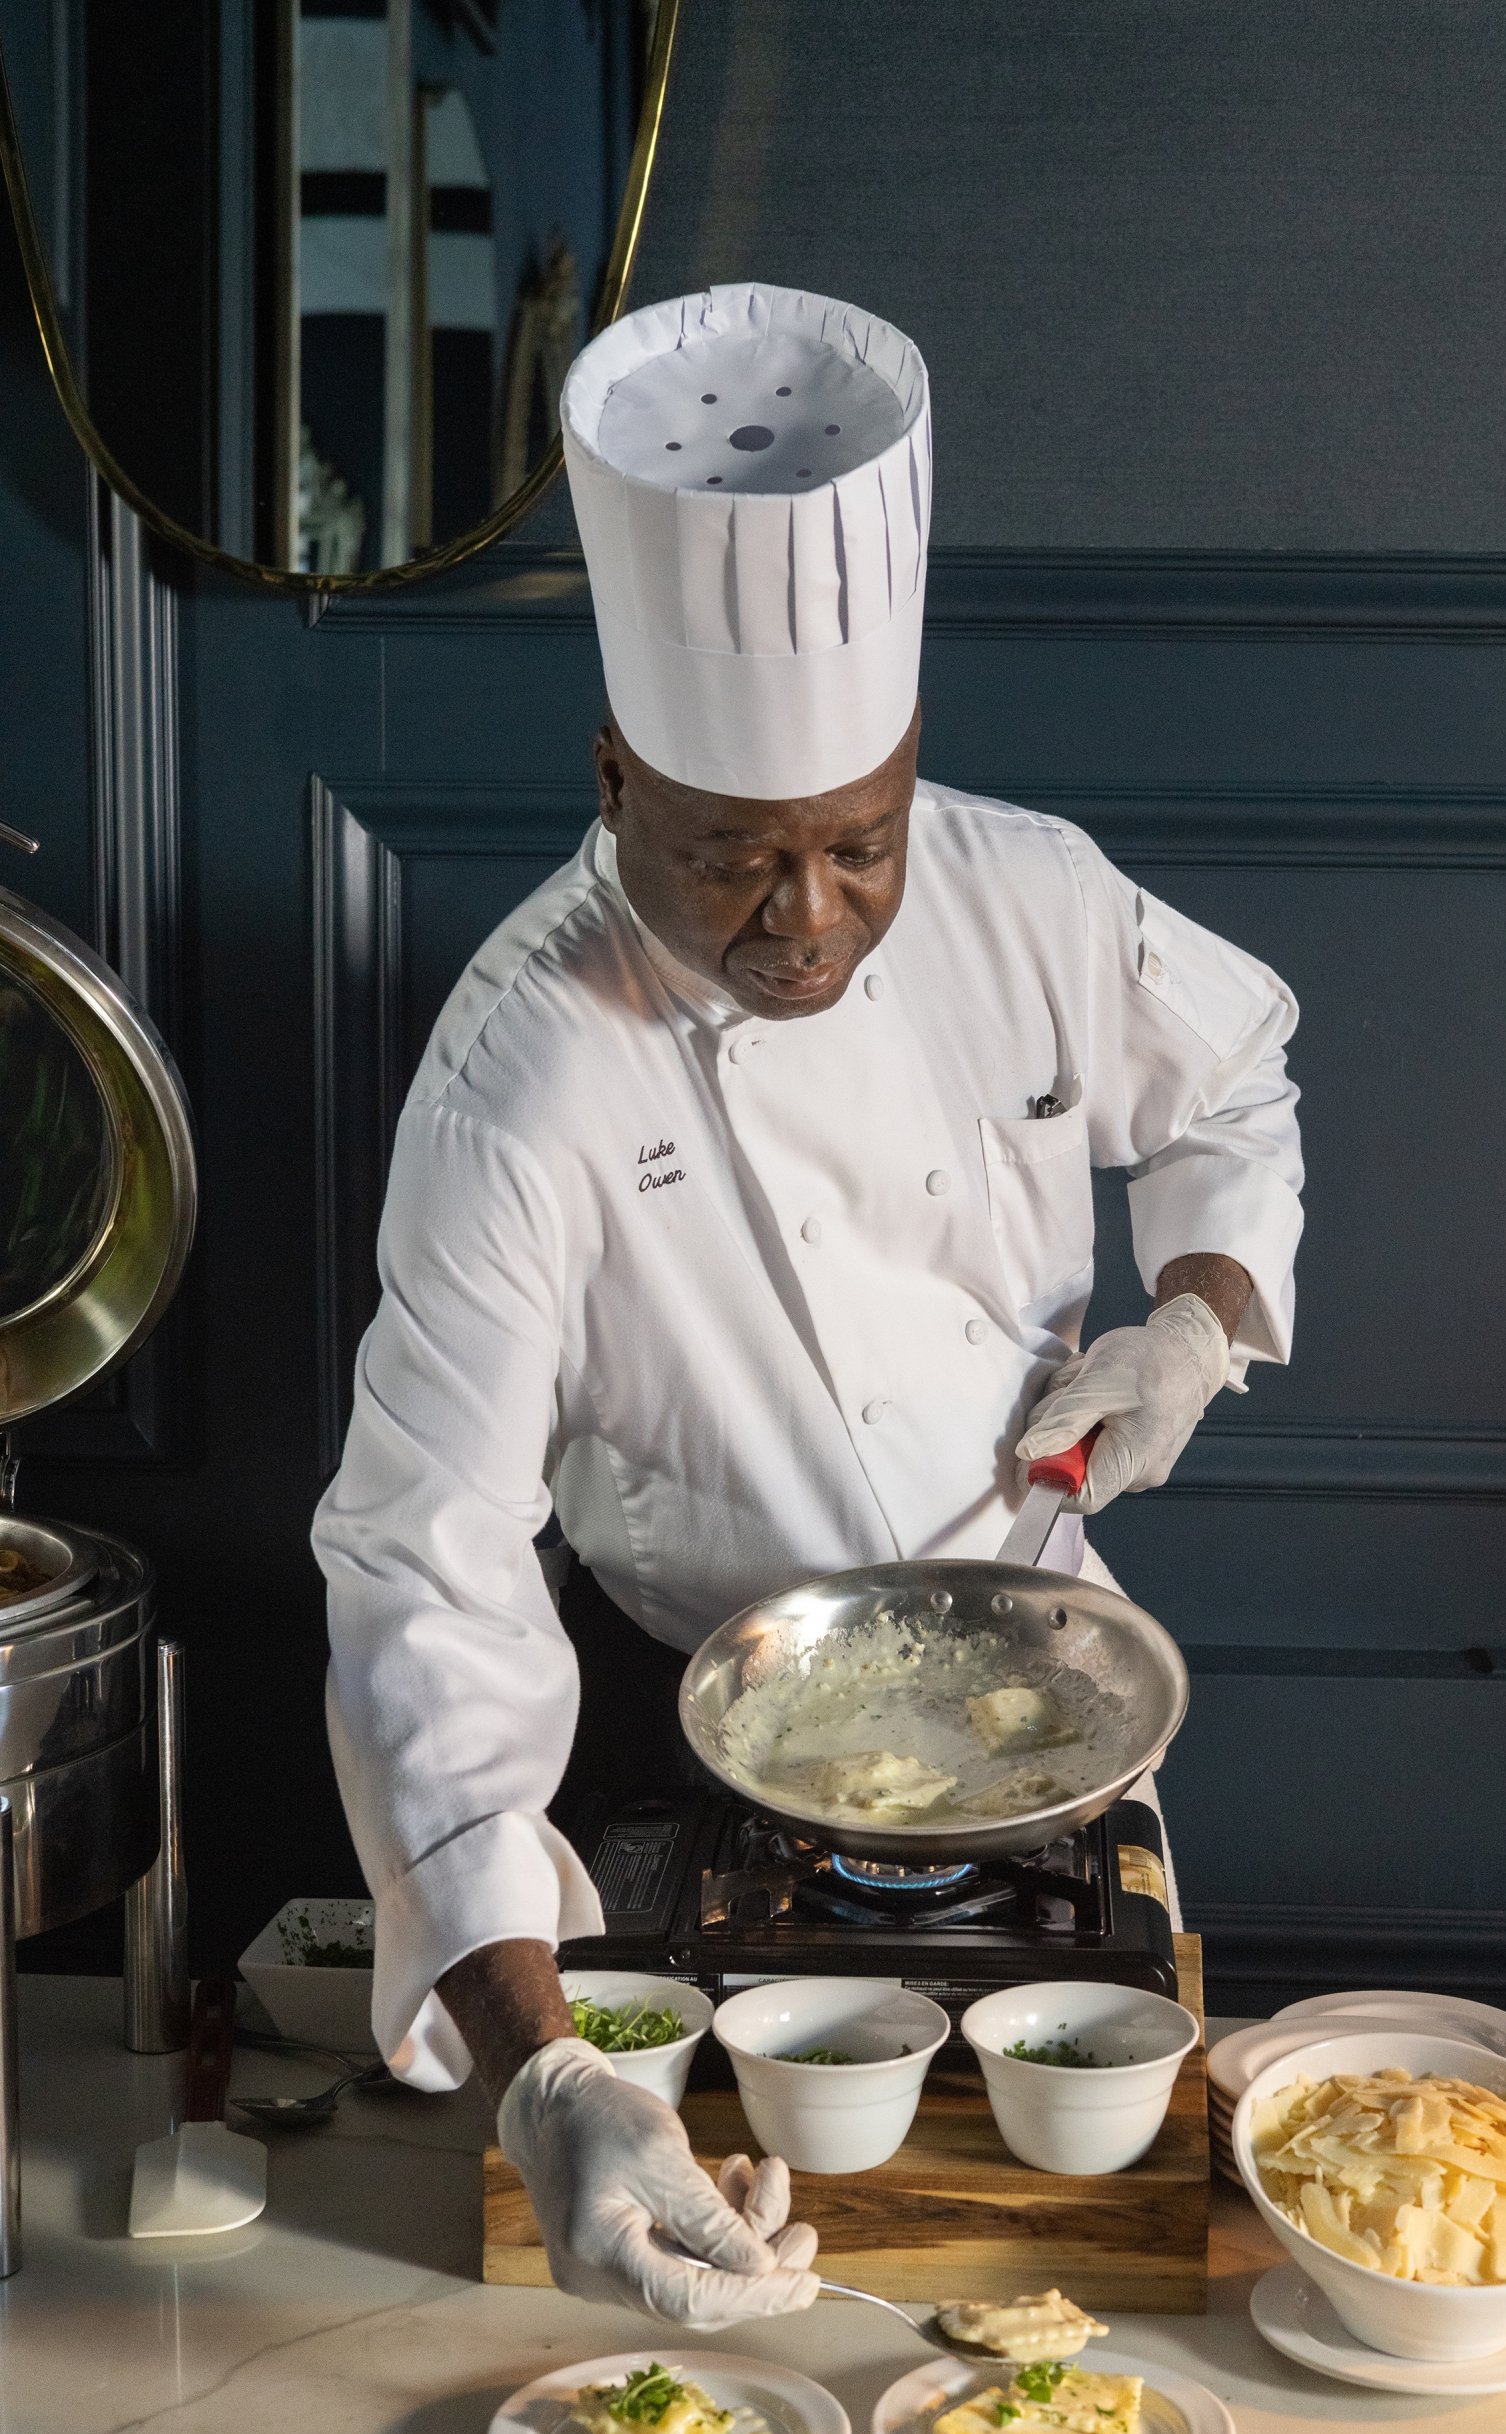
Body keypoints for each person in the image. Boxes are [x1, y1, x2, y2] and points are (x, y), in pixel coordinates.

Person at [312, 283, 1303, 2329]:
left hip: (1041, 1699)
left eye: (856, 846)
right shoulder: (521, 1077)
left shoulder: (1021, 889)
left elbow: (1224, 1078)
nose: (809, 921)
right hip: (696, 1722)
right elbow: (425, 1558)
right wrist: (552, 2080)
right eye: (730, 862)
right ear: (613, 780)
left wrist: (1192, 1314)